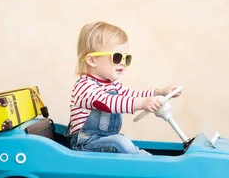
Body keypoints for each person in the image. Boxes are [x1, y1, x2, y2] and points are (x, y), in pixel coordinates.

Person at [66, 21, 180, 154]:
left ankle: (149, 160)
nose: (123, 63)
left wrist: (159, 92)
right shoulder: (84, 87)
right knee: (120, 143)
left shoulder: (112, 84)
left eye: (126, 58)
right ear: (92, 60)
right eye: (117, 57)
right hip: (85, 144)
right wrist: (142, 104)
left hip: (104, 140)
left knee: (123, 142)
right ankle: (141, 164)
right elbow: (109, 103)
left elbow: (132, 95)